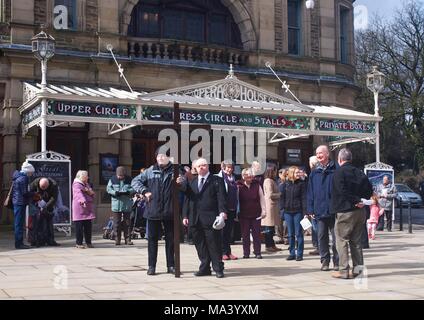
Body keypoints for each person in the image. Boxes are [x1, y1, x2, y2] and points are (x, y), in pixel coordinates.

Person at [330, 148, 373, 279]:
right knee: (356, 242)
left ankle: (343, 270)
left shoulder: (339, 172)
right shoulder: (359, 172)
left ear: (340, 159)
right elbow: (369, 189)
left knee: (341, 241)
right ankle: (359, 270)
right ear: (351, 159)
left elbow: (341, 191)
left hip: (345, 211)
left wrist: (356, 200)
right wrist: (362, 201)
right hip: (360, 211)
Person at [181, 158, 227, 278]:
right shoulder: (192, 181)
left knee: (214, 244)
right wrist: (185, 215)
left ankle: (218, 268)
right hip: (195, 218)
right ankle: (205, 267)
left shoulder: (217, 180)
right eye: (199, 166)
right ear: (195, 168)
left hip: (211, 218)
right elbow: (187, 199)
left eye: (204, 165)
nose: (202, 167)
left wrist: (222, 212)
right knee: (199, 245)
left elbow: (221, 198)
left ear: (208, 166)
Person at [131, 152, 175, 275]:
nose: (160, 158)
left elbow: (182, 184)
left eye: (163, 156)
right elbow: (135, 181)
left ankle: (171, 265)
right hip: (153, 210)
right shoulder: (150, 170)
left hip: (170, 210)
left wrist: (180, 180)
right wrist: (144, 191)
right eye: (158, 156)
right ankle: (152, 266)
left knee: (171, 240)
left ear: (169, 158)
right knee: (152, 240)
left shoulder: (175, 170)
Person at [307, 145, 339, 271]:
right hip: (319, 211)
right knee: (321, 238)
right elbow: (310, 192)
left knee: (336, 239)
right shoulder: (314, 172)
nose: (318, 155)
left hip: (334, 210)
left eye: (320, 153)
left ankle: (337, 262)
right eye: (317, 154)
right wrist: (310, 209)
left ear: (327, 154)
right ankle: (325, 261)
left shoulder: (336, 169)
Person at [237, 168, 266, 259]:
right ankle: (246, 253)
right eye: (247, 175)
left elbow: (262, 198)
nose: (249, 177)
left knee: (256, 234)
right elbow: (236, 200)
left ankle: (257, 252)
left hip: (256, 214)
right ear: (243, 176)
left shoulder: (257, 185)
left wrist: (264, 210)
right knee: (245, 235)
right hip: (243, 214)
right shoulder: (238, 185)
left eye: (250, 175)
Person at [281, 166, 307, 261]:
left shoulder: (301, 184)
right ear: (291, 173)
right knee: (290, 234)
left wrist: (305, 212)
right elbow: (282, 198)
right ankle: (292, 253)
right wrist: (282, 210)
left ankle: (299, 254)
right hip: (288, 212)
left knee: (299, 233)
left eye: (299, 172)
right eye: (296, 173)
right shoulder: (285, 184)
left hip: (298, 211)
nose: (298, 174)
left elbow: (304, 198)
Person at [107, 166, 135, 246]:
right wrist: (114, 193)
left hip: (127, 204)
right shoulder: (112, 179)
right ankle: (117, 240)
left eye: (122, 176)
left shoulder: (130, 179)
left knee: (127, 223)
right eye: (119, 176)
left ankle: (128, 240)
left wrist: (128, 192)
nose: (120, 177)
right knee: (116, 223)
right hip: (116, 205)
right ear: (116, 174)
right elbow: (108, 189)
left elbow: (134, 188)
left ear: (124, 174)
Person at [216, 160, 238, 261]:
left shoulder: (233, 178)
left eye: (231, 167)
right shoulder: (218, 178)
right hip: (223, 209)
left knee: (229, 232)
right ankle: (222, 252)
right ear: (223, 167)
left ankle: (228, 252)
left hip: (232, 208)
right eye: (228, 167)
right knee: (222, 231)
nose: (230, 169)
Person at [29, 177, 60, 247]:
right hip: (37, 204)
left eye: (44, 188)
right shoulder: (35, 183)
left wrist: (46, 206)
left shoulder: (54, 185)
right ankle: (38, 240)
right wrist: (37, 201)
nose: (43, 189)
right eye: (41, 188)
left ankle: (50, 240)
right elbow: (31, 193)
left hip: (49, 204)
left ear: (48, 185)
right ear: (39, 184)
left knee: (49, 222)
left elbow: (54, 198)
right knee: (38, 223)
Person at [11, 161, 35, 249]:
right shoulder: (23, 178)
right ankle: (19, 243)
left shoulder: (18, 176)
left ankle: (19, 242)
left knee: (18, 223)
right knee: (19, 224)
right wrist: (33, 194)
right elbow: (24, 192)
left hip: (17, 202)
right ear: (28, 171)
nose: (31, 174)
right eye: (31, 172)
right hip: (20, 203)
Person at [72, 170, 95, 249]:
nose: (88, 177)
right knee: (79, 227)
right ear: (82, 177)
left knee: (88, 226)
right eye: (86, 176)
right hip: (80, 208)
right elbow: (78, 194)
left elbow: (91, 192)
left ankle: (88, 242)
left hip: (87, 208)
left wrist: (88, 191)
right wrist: (83, 200)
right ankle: (79, 243)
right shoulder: (76, 184)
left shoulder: (86, 184)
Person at [262, 167, 282, 253]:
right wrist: (280, 194)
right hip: (270, 206)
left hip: (273, 206)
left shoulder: (271, 180)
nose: (276, 173)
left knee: (272, 228)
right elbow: (270, 194)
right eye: (275, 171)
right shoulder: (268, 181)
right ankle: (268, 245)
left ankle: (272, 244)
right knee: (269, 228)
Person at [308, 156, 320, 255]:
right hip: (320, 205)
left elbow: (311, 192)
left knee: (316, 228)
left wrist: (310, 209)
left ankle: (318, 246)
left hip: (316, 206)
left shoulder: (313, 173)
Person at [277, 168, 289, 245]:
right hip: (278, 204)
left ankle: (286, 237)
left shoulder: (288, 182)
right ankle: (280, 237)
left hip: (286, 204)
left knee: (286, 223)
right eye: (283, 173)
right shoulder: (277, 182)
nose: (285, 175)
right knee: (279, 223)